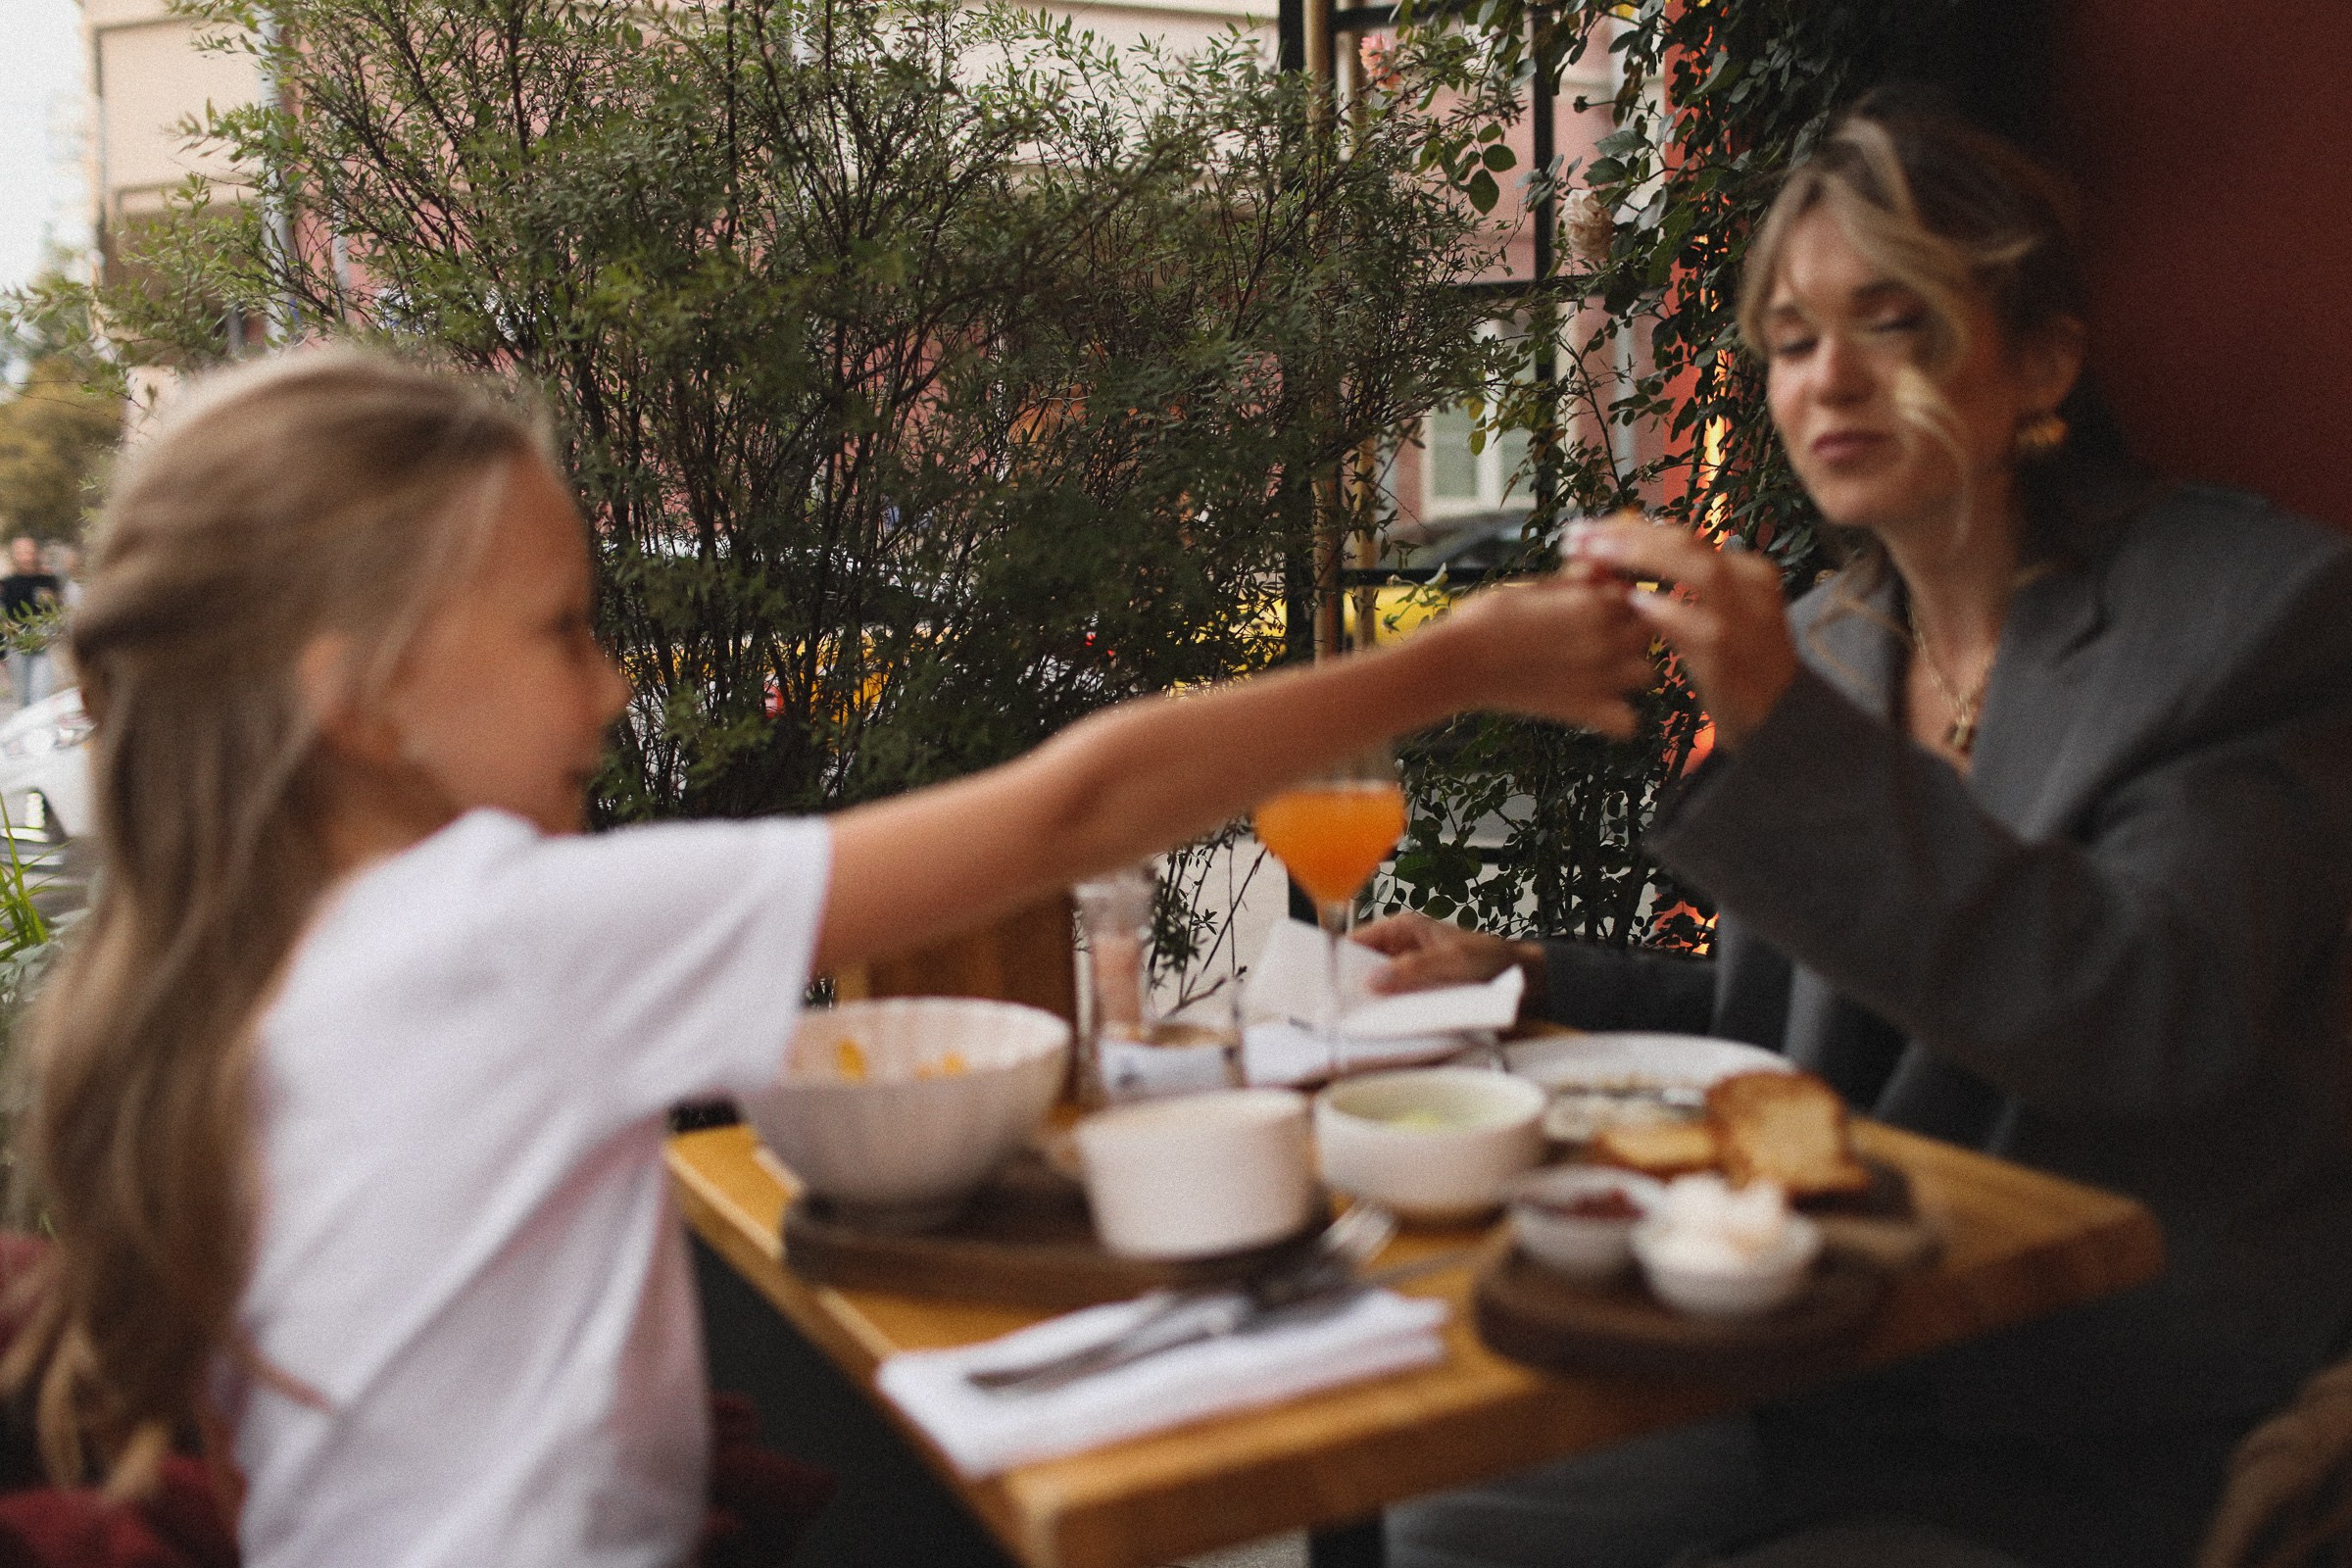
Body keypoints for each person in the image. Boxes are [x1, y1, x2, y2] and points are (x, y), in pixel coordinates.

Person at [0, 347, 1655, 1568]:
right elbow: (1069, 809)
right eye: (564, 632)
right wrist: (1450, 663)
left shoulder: (266, 960)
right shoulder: (496, 935)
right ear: (357, 699)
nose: (608, 692)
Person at [1360, 98, 2352, 1568]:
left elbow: (2144, 1017)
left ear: (2042, 359)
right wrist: (1529, 976)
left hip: (2103, 1419)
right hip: (1822, 1357)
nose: (1830, 381)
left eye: (1893, 324)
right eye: (1792, 339)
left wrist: (1787, 731)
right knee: (1428, 1502)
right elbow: (1829, 1027)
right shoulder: (1834, 643)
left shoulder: (2252, 618)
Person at [0, 535, 63, 710]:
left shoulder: (48, 580)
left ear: (36, 552)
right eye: (20, 552)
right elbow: (3, 615)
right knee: (23, 698)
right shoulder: (8, 583)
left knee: (40, 693)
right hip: (17, 641)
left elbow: (58, 609)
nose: (25, 556)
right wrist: (3, 652)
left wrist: (52, 600)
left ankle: (40, 733)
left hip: (41, 639)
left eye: (28, 551)